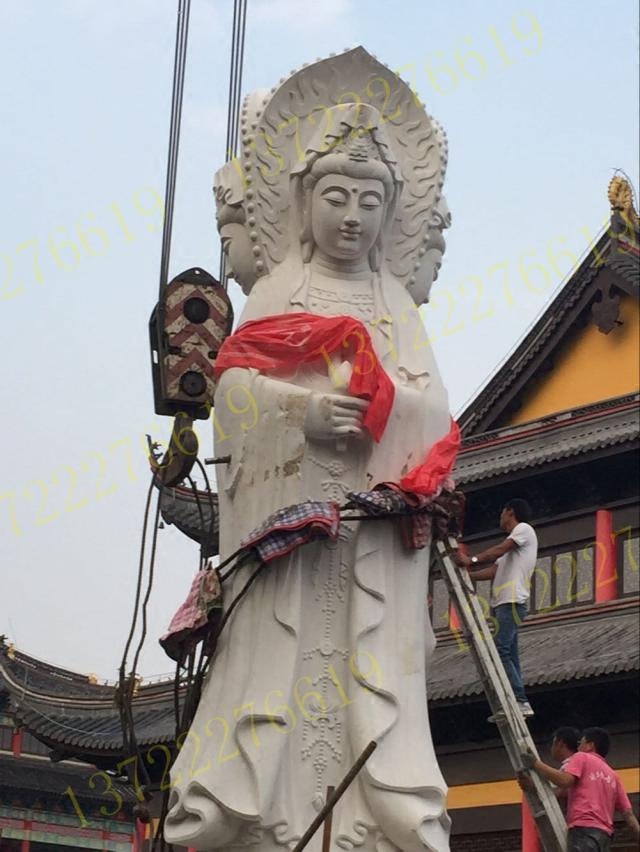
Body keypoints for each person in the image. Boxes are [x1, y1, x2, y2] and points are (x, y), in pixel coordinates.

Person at [454, 498, 537, 718]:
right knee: (510, 653)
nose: (500, 516)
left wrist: (470, 559)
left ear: (510, 511)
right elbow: (492, 571)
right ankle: (517, 702)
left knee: (500, 649)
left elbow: (498, 550)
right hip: (504, 604)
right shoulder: (513, 549)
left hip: (512, 602)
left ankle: (518, 699)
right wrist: (466, 576)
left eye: (502, 511)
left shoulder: (523, 530)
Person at [523, 727, 640, 850]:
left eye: (581, 743)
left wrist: (536, 764)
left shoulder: (581, 757)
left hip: (583, 830)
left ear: (590, 745)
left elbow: (564, 780)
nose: (578, 747)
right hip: (604, 837)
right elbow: (628, 814)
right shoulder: (613, 775)